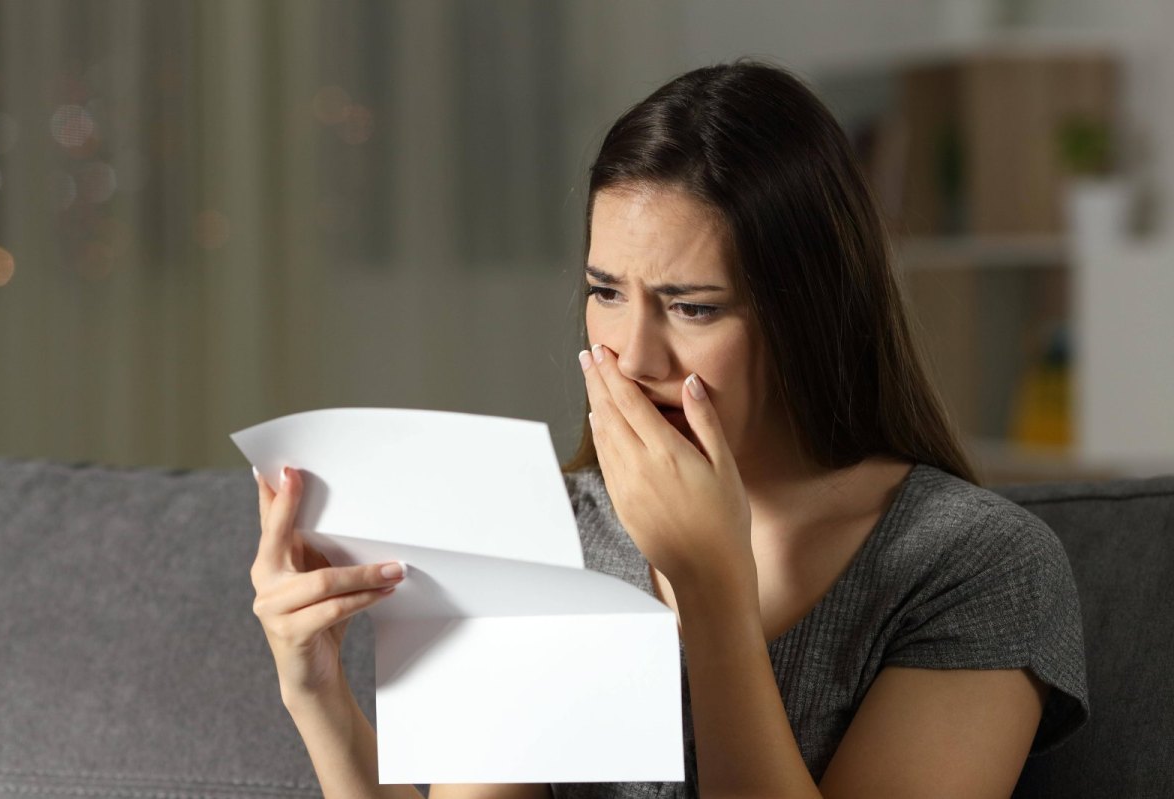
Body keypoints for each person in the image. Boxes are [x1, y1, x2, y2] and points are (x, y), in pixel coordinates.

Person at [249, 59, 1088, 798]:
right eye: (606, 292)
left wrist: (711, 582)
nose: (633, 352)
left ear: (811, 316)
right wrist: (318, 696)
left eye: (692, 307)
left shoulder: (974, 564)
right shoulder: (546, 527)